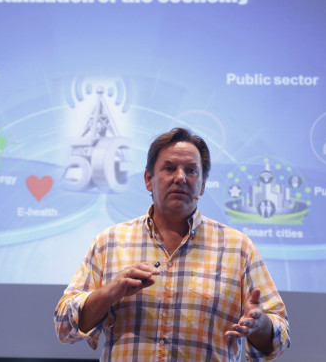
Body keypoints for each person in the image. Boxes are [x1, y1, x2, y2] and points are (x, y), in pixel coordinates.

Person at [54, 128, 290, 361]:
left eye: (191, 170)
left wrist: (260, 325)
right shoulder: (110, 242)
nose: (180, 177)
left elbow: (280, 337)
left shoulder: (238, 248)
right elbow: (64, 325)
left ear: (203, 185)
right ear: (149, 180)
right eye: (169, 168)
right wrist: (108, 293)